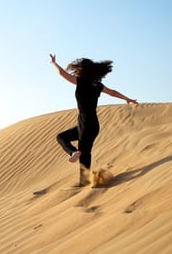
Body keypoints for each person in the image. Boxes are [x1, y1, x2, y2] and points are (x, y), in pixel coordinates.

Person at [49, 54, 138, 187]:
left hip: (85, 122)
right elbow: (113, 92)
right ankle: (76, 156)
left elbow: (62, 73)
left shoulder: (81, 81)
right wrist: (127, 99)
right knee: (63, 137)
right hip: (92, 124)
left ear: (82, 70)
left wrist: (53, 63)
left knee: (83, 153)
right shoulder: (97, 85)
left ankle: (84, 180)